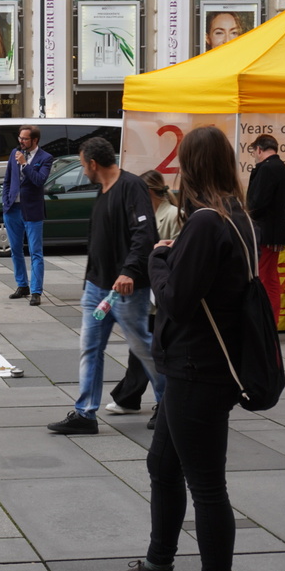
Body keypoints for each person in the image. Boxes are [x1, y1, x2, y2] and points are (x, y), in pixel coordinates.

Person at [103, 125, 250, 571]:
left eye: (183, 160)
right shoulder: (235, 215)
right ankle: (156, 565)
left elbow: (176, 300)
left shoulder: (207, 220)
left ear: (193, 166)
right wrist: (177, 253)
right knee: (162, 464)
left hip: (197, 368)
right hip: (197, 366)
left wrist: (159, 259)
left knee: (206, 485)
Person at [47, 137, 163, 435]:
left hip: (125, 289)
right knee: (90, 347)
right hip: (98, 289)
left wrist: (129, 272)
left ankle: (170, 403)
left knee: (141, 346)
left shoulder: (131, 186)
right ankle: (85, 413)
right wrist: (89, 280)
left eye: (83, 164)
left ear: (93, 163)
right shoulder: (103, 190)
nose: (83, 170)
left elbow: (144, 233)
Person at [106, 169, 182, 425]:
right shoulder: (145, 215)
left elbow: (180, 256)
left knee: (150, 349)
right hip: (146, 292)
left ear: (147, 191)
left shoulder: (172, 215)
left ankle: (156, 402)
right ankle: (130, 397)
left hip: (160, 292)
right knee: (142, 347)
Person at [1, 126, 54, 307]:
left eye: (25, 139)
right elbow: (7, 179)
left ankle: (36, 291)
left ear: (35, 140)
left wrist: (25, 164)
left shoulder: (45, 158)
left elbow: (39, 180)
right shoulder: (14, 153)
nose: (21, 141)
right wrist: (5, 202)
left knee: (35, 252)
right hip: (12, 209)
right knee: (15, 250)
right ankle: (22, 285)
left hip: (32, 210)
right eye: (20, 138)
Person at [245, 134, 285, 323]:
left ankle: (267, 321)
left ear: (259, 149)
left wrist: (246, 215)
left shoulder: (267, 169)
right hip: (275, 231)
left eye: (254, 152)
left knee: (265, 278)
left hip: (265, 231)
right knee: (270, 277)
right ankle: (271, 319)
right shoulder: (282, 168)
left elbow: (257, 202)